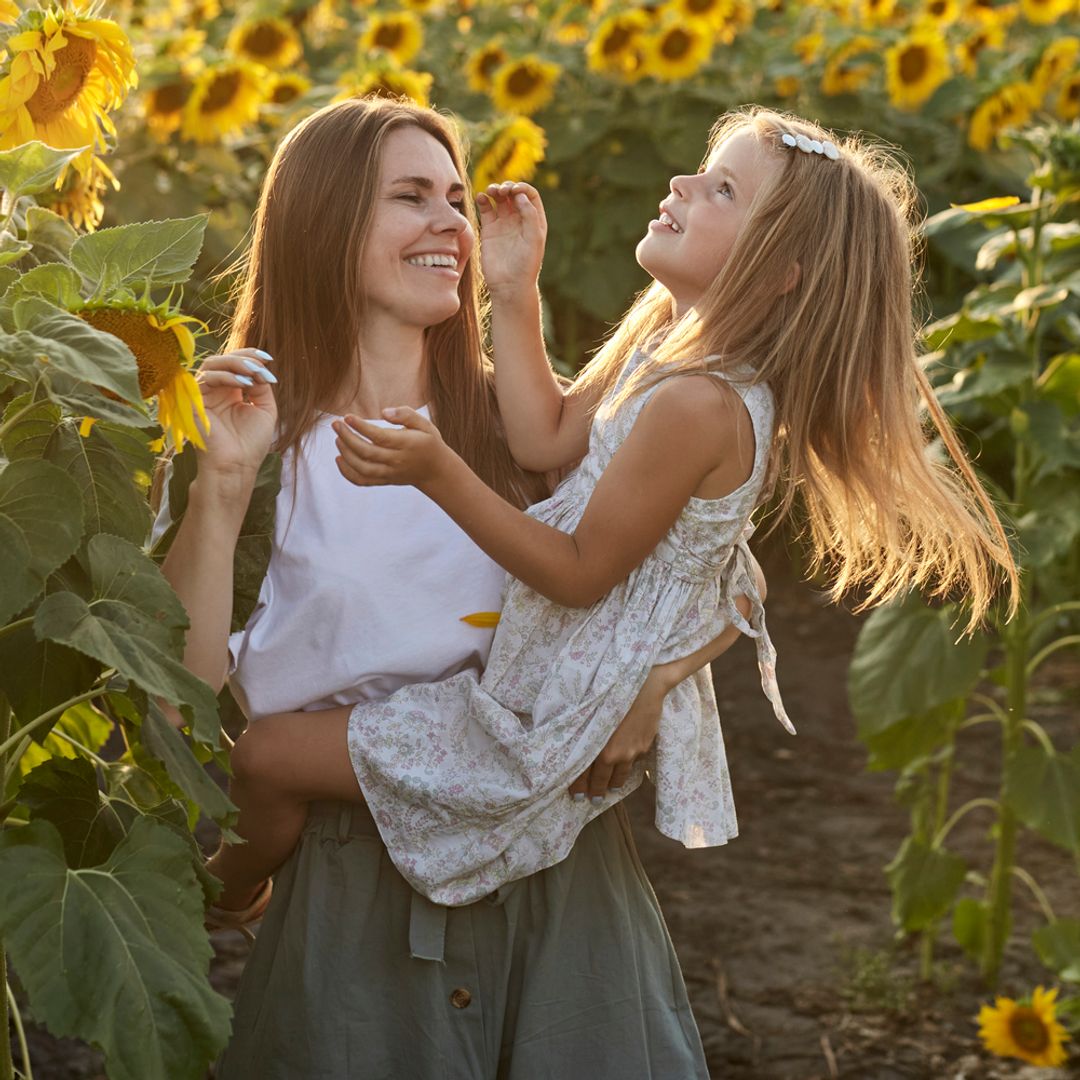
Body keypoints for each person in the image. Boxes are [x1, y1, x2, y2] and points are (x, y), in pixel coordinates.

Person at [202, 105, 1019, 917]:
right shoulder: (665, 351)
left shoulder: (700, 404)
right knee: (277, 762)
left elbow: (586, 575)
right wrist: (515, 289)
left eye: (722, 189)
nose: (682, 182)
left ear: (777, 271)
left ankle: (228, 898)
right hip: (551, 686)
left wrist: (438, 473)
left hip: (546, 711)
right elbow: (543, 437)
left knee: (269, 758)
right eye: (704, 169)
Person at [160, 95, 753, 1079]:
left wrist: (649, 682)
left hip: (561, 893)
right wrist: (218, 487)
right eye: (410, 197)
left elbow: (729, 576)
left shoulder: (525, 433)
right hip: (352, 899)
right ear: (324, 222)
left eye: (454, 197)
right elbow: (183, 703)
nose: (449, 222)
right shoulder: (253, 436)